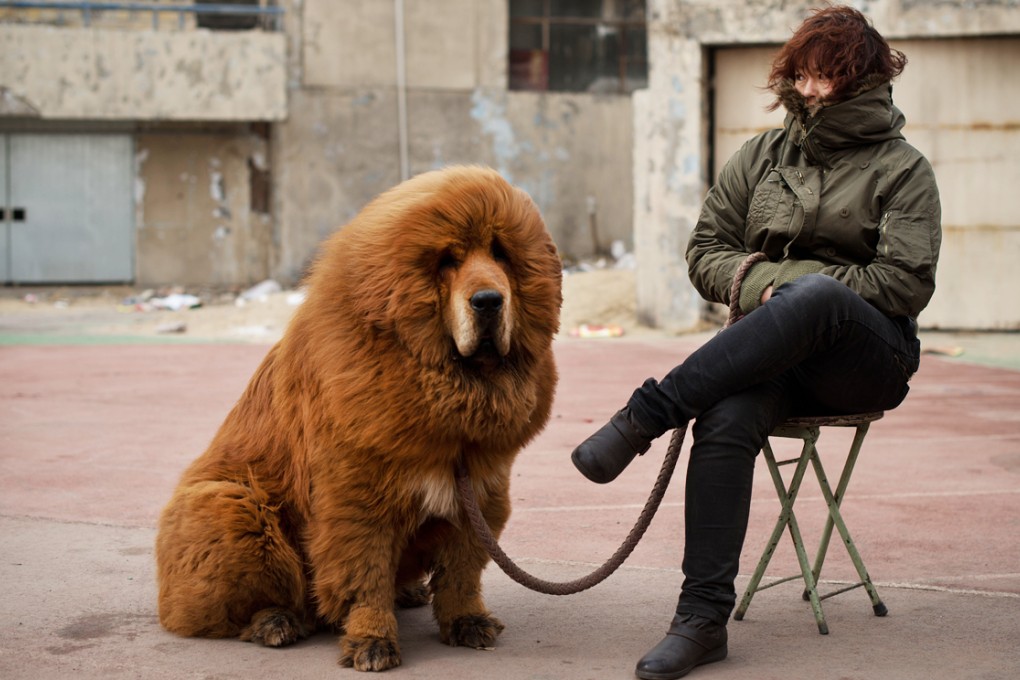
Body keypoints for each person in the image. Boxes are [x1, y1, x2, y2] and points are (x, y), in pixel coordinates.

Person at [571, 5, 941, 679]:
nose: (807, 90)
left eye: (824, 77)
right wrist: (770, 291)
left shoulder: (903, 170)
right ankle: (701, 620)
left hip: (866, 359)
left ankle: (648, 413)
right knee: (726, 413)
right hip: (771, 355)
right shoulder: (762, 157)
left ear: (862, 79)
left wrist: (793, 287)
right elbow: (705, 251)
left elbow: (903, 283)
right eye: (799, 74)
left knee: (821, 297)